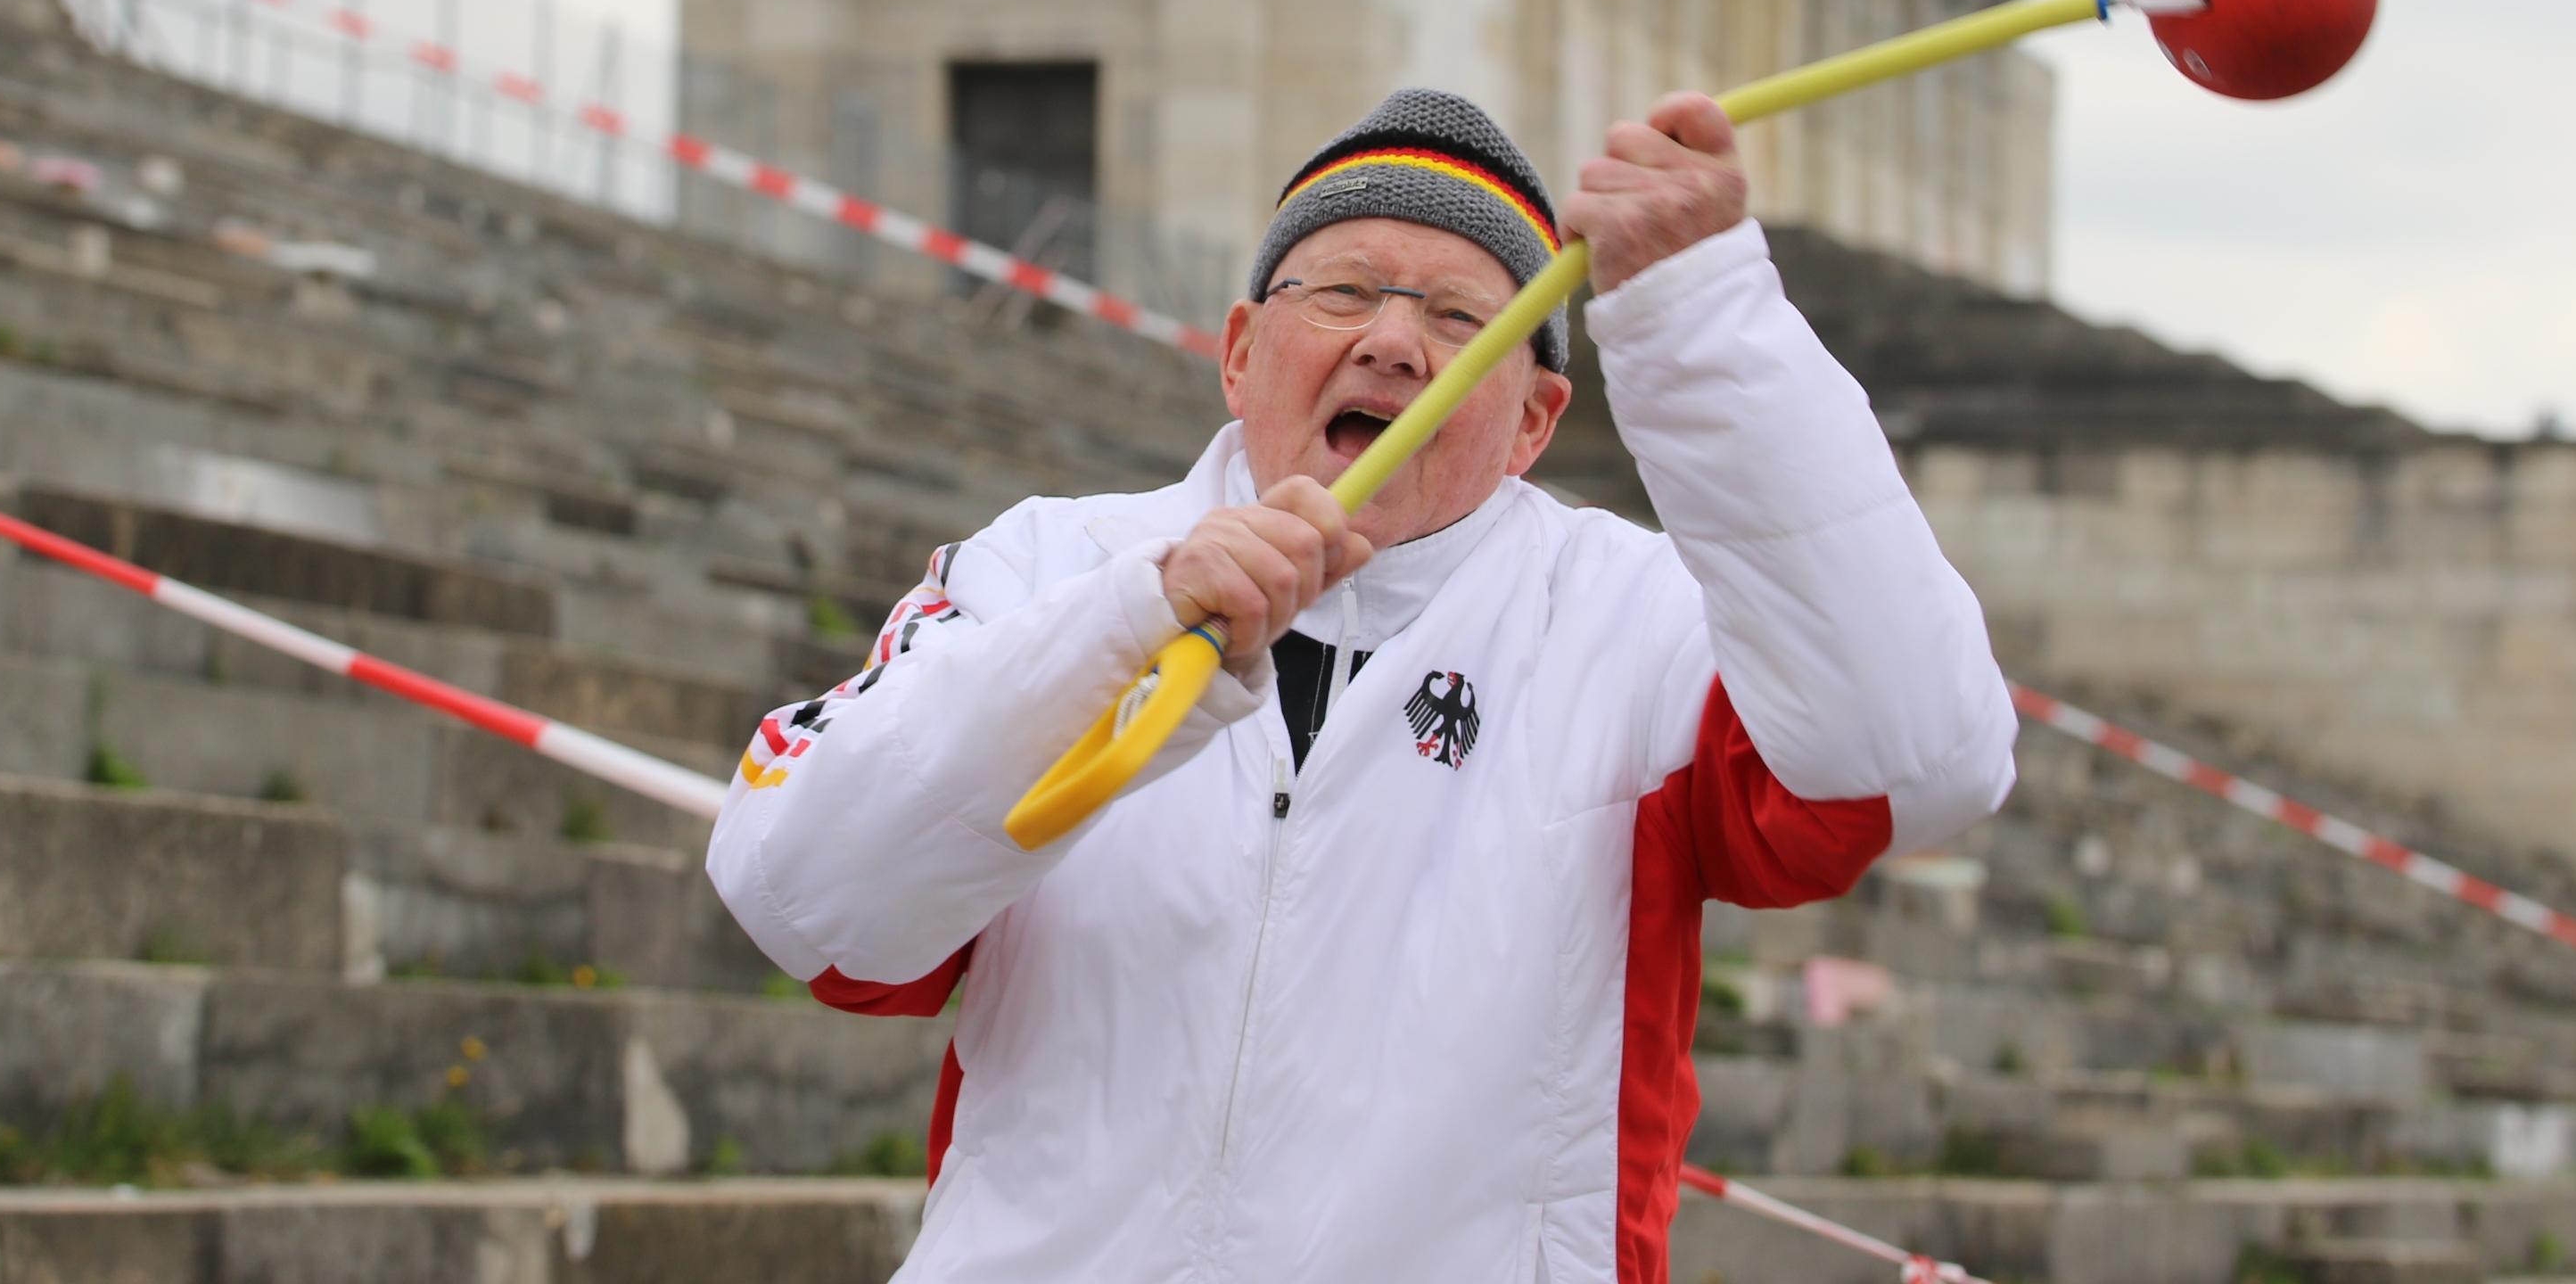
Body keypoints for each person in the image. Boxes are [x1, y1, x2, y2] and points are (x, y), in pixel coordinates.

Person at [707, 86, 2016, 1281]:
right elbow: (806, 900)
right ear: (1239, 351)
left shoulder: (1645, 622)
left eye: (1461, 318)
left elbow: (1919, 763)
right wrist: (1128, 628)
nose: (1393, 343)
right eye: (1343, 291)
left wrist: (1706, 323)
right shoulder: (1051, 564)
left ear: (1535, 421)